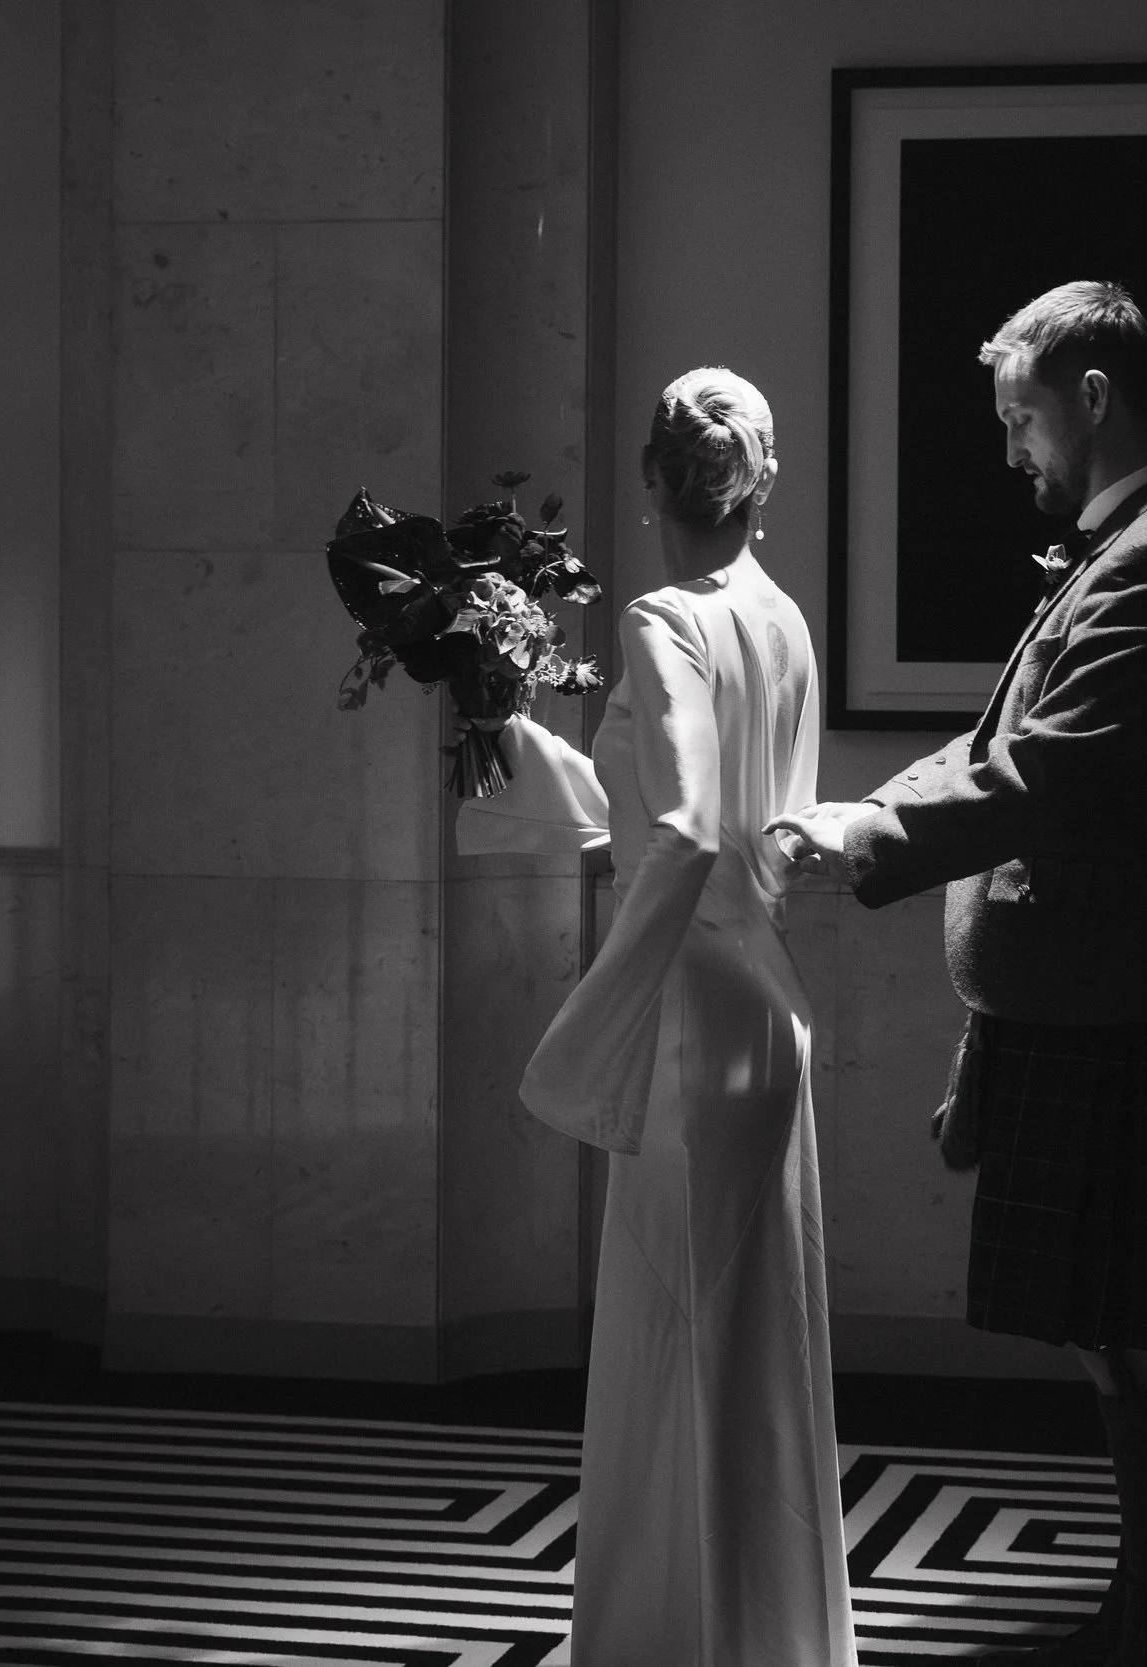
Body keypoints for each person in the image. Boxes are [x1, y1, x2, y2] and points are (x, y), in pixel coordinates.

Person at [771, 282, 1147, 1666]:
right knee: (1116, 1336)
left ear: (1095, 396)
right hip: (1089, 1007)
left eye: (1022, 417)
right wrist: (866, 807)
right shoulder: (1120, 552)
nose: (1014, 450)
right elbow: (1005, 737)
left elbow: (1044, 772)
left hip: (1126, 1016)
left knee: (1136, 1338)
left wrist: (867, 829)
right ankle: (1142, 1611)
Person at [459, 368, 855, 1667]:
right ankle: (770, 1639)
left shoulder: (659, 613)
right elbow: (710, 821)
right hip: (765, 1004)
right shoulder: (785, 619)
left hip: (690, 1014)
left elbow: (679, 831)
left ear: (648, 479)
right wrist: (494, 711)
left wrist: (597, 1018)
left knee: (668, 1350)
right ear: (766, 480)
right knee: (750, 1356)